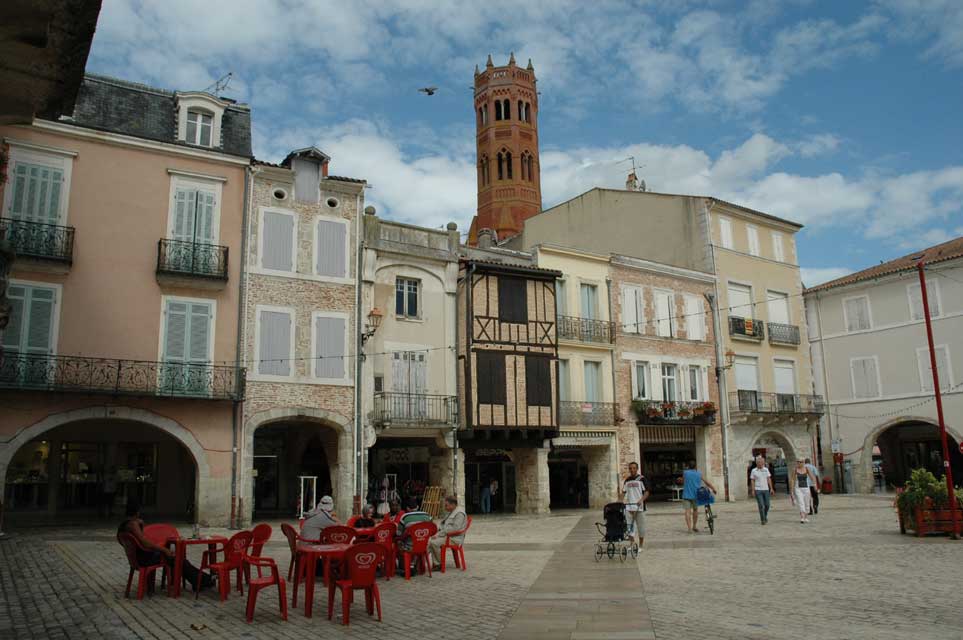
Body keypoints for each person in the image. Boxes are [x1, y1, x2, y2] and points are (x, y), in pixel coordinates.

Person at [118, 501, 212, 590]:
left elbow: (124, 541)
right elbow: (145, 542)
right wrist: (164, 550)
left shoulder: (124, 525)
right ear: (137, 512)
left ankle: (199, 580)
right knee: (177, 559)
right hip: (145, 559)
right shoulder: (133, 524)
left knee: (177, 559)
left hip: (136, 559)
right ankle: (203, 580)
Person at [430, 495, 468, 570]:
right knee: (427, 543)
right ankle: (418, 563)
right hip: (448, 535)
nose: (445, 507)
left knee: (433, 543)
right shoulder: (452, 512)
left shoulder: (459, 514)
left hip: (454, 538)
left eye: (446, 505)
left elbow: (454, 529)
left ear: (453, 505)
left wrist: (439, 534)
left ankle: (438, 564)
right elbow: (445, 525)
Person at [396, 499, 432, 573]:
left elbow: (399, 533)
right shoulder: (427, 515)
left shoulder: (405, 517)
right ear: (418, 506)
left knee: (398, 543)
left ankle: (404, 567)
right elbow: (432, 529)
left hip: (410, 547)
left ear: (407, 508)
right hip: (425, 545)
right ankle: (416, 565)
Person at [682, 460, 717, 533]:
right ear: (695, 466)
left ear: (688, 466)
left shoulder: (685, 473)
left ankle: (689, 529)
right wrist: (713, 489)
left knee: (687, 511)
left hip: (686, 495)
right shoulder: (699, 473)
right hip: (696, 495)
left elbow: (683, 480)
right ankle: (694, 526)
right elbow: (706, 482)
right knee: (695, 510)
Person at [621, 462, 650, 548]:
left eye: (634, 468)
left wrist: (641, 500)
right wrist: (619, 502)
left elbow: (647, 492)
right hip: (629, 507)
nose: (632, 470)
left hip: (639, 507)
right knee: (630, 527)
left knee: (641, 527)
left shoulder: (642, 479)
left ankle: (640, 546)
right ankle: (632, 544)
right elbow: (623, 492)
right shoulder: (627, 480)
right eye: (630, 468)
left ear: (637, 469)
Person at [749, 456, 774, 525]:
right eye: (759, 462)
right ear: (756, 463)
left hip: (766, 489)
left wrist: (771, 488)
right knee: (761, 505)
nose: (760, 464)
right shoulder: (753, 470)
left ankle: (764, 516)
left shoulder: (766, 470)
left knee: (767, 505)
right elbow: (752, 480)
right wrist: (753, 490)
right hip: (758, 490)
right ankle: (763, 519)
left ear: (763, 463)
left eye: (761, 462)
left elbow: (769, 479)